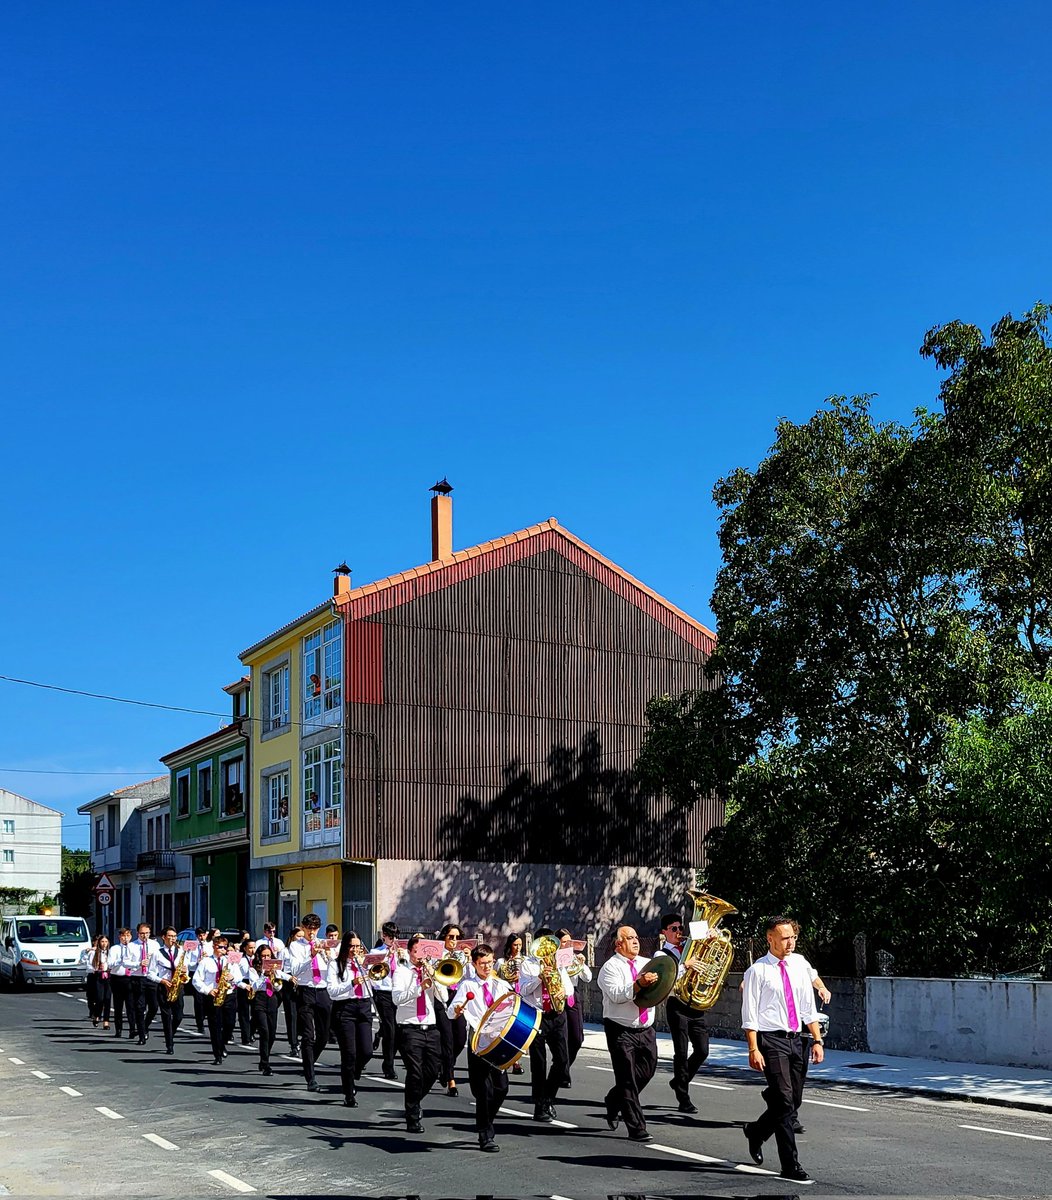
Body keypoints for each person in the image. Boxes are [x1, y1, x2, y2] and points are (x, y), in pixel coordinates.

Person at [741, 915, 825, 1185]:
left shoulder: (800, 963)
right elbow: (750, 1014)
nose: (791, 942)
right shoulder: (758, 971)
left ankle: (756, 1130)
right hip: (772, 1040)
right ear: (770, 939)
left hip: (798, 1038)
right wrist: (753, 1048)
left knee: (792, 1101)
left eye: (793, 937)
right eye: (785, 938)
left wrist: (817, 1040)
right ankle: (790, 1165)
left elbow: (806, 1007)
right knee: (785, 1102)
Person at [596, 925, 659, 1142]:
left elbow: (665, 982)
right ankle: (637, 1128)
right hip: (620, 1030)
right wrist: (639, 984)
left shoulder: (645, 963)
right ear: (618, 943)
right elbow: (616, 996)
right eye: (629, 938)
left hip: (646, 1029)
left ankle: (614, 1100)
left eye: (636, 937)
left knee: (647, 1071)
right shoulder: (610, 968)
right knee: (627, 1079)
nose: (635, 941)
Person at [446, 943, 512, 1152]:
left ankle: (485, 1120)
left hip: (499, 1040)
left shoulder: (501, 985)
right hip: (478, 1040)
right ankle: (486, 1135)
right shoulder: (467, 986)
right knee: (484, 1091)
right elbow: (451, 1012)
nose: (487, 966)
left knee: (501, 1088)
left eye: (490, 962)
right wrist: (456, 1010)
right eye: (483, 963)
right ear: (474, 963)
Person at [654, 912, 708, 1114]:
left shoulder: (689, 948)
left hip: (695, 1005)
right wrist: (686, 965)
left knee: (702, 1051)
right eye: (673, 929)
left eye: (680, 928)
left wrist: (709, 937)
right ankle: (683, 1097)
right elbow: (667, 979)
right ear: (664, 933)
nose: (678, 932)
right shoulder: (661, 956)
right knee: (682, 1051)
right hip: (676, 1005)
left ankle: (678, 1081)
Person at [518, 927, 571, 1122]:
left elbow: (569, 988)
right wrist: (539, 978)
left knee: (562, 1061)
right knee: (538, 1063)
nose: (547, 949)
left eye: (550, 944)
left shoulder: (559, 963)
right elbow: (523, 990)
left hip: (556, 1014)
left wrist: (562, 993)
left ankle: (548, 1098)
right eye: (543, 944)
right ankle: (540, 1105)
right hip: (536, 1015)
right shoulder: (528, 965)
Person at [392, 933, 443, 1133]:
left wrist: (434, 977)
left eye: (423, 953)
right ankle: (412, 1117)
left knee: (432, 1071)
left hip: (431, 1027)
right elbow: (397, 999)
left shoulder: (431, 970)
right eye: (416, 952)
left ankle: (413, 1101)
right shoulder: (401, 973)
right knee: (415, 1072)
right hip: (410, 1028)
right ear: (410, 952)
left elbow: (444, 996)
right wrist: (419, 988)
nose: (420, 957)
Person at [285, 913, 333, 1093]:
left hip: (323, 990)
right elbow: (295, 970)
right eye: (309, 929)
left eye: (315, 929)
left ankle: (309, 1060)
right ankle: (310, 1077)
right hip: (305, 990)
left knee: (324, 1036)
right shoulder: (296, 946)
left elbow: (335, 968)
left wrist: (328, 955)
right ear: (303, 928)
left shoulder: (325, 944)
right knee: (307, 1035)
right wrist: (311, 955)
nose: (312, 932)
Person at [327, 930, 375, 1106]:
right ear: (345, 947)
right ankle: (349, 1094)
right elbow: (333, 992)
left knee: (367, 1051)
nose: (355, 950)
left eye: (358, 946)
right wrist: (352, 983)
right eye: (351, 946)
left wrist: (369, 968)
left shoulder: (365, 964)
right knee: (349, 1054)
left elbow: (376, 983)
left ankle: (355, 1071)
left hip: (363, 1006)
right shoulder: (335, 965)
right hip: (344, 1008)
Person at [434, 922, 469, 1097]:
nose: (454, 941)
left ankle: (445, 1065)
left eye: (457, 938)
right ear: (444, 938)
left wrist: (469, 960)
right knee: (447, 1039)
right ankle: (450, 1080)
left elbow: (467, 977)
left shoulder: (462, 956)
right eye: (451, 937)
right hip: (441, 996)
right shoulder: (437, 954)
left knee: (461, 1037)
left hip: (457, 996)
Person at [193, 934, 238, 1064]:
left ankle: (222, 1043)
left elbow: (239, 977)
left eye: (225, 947)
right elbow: (196, 980)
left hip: (228, 994)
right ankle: (217, 1055)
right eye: (220, 947)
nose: (223, 950)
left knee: (230, 1023)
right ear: (214, 947)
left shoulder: (230, 961)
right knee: (215, 1026)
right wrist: (208, 990)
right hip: (213, 996)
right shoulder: (205, 962)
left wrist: (232, 977)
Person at [555, 927, 590, 1086]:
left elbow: (588, 978)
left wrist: (582, 964)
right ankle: (563, 1073)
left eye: (569, 942)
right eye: (563, 942)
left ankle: (562, 1067)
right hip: (559, 995)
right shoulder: (553, 958)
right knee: (563, 1037)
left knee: (577, 1038)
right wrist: (562, 961)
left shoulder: (575, 957)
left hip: (573, 996)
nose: (567, 945)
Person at [244, 943, 286, 1076]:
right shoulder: (253, 969)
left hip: (272, 999)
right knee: (265, 1032)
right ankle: (266, 1062)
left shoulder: (275, 968)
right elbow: (254, 986)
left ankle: (264, 1059)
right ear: (259, 956)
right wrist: (264, 975)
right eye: (263, 956)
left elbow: (278, 987)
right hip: (259, 999)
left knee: (272, 1033)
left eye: (268, 955)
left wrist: (274, 977)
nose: (266, 958)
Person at [370, 921, 404, 1080]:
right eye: (390, 937)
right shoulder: (376, 951)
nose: (393, 940)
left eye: (395, 936)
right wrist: (386, 957)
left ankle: (380, 1036)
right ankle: (388, 1065)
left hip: (398, 993)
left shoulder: (401, 952)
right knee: (390, 1029)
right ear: (384, 936)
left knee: (398, 1030)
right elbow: (374, 974)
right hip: (383, 993)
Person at [148, 926, 185, 1055]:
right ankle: (169, 1044)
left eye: (174, 936)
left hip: (177, 985)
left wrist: (185, 970)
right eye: (170, 936)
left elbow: (187, 965)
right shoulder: (157, 953)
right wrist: (162, 981)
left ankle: (171, 1033)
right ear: (163, 937)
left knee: (179, 1015)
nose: (172, 939)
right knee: (166, 1016)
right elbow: (150, 973)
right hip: (164, 987)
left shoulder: (180, 951)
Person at [497, 933, 526, 1074]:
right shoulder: (502, 962)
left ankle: (516, 1061)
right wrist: (507, 979)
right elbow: (494, 978)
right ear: (510, 946)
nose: (518, 948)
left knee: (518, 1030)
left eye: (520, 945)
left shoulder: (525, 961)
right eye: (515, 945)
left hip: (522, 997)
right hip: (507, 998)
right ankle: (506, 1060)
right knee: (506, 1030)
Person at [128, 922, 159, 1044]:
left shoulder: (155, 945)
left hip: (151, 978)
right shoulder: (132, 946)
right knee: (140, 1008)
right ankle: (141, 1035)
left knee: (154, 1007)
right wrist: (138, 964)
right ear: (137, 933)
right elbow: (126, 962)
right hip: (137, 977)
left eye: (146, 933)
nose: (144, 936)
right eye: (142, 933)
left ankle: (145, 1026)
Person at [108, 927, 139, 1040]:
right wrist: (120, 960)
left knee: (131, 1006)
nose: (125, 938)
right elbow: (109, 964)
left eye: (128, 936)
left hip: (130, 979)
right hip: (118, 978)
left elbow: (137, 962)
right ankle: (118, 1029)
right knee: (118, 1005)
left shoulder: (134, 948)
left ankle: (132, 1029)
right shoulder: (114, 949)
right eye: (123, 936)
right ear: (119, 937)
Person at [279, 925, 302, 1054]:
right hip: (288, 983)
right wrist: (288, 977)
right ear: (292, 936)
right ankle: (293, 1044)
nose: (300, 939)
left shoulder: (305, 950)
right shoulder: (285, 951)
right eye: (298, 936)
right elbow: (277, 970)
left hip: (302, 983)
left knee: (303, 1014)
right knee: (291, 1014)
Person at [86, 935, 112, 1029]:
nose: (104, 944)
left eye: (106, 941)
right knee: (99, 998)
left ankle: (106, 1021)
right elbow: (88, 966)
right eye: (102, 942)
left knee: (107, 999)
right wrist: (95, 969)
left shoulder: (111, 952)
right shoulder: (94, 953)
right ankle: (97, 1015)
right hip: (98, 977)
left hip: (108, 977)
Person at [236, 938, 257, 1047]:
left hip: (255, 984)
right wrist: (243, 985)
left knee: (256, 1012)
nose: (253, 950)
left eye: (254, 948)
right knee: (244, 1012)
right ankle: (246, 1037)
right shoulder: (240, 959)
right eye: (250, 948)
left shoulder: (257, 958)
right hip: (243, 983)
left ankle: (251, 1031)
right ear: (245, 948)